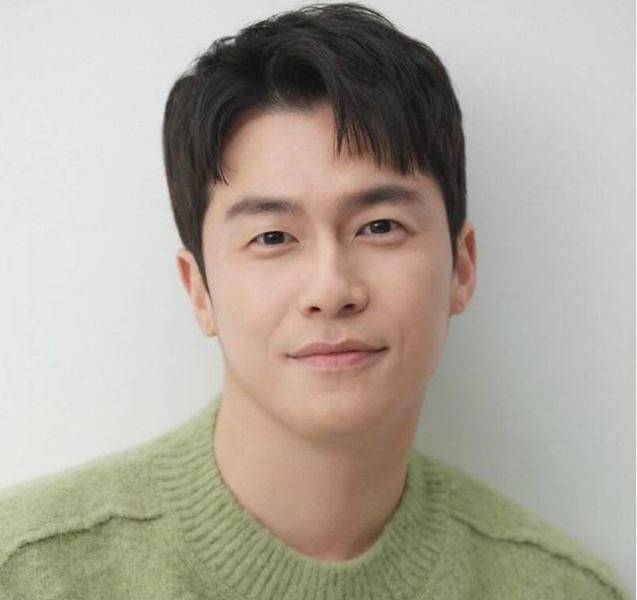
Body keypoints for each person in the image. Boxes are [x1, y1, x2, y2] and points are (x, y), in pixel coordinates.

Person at [0, 3, 629, 598]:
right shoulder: (26, 573)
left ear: (461, 267)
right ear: (199, 290)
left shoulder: (563, 589)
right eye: (273, 237)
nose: (330, 291)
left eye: (379, 226)